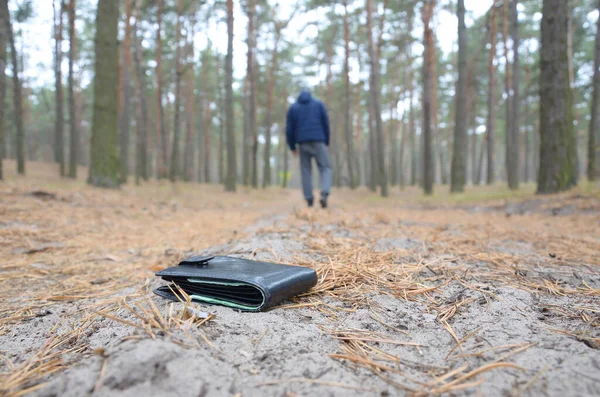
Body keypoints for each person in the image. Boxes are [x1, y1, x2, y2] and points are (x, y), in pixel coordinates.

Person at [286, 88, 333, 208]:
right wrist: (326, 141)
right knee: (325, 168)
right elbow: (326, 124)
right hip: (319, 141)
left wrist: (292, 146)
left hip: (302, 143)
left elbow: (289, 129)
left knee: (306, 171)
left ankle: (309, 199)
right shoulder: (318, 104)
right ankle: (324, 193)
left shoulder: (294, 108)